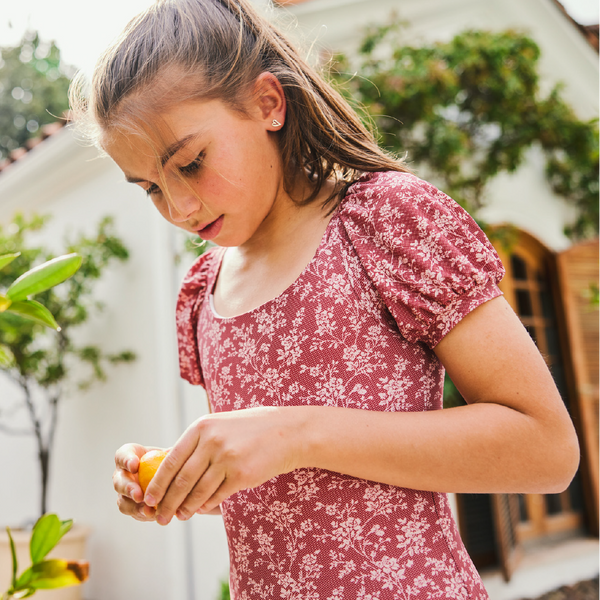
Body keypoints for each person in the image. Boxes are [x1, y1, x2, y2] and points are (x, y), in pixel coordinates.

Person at [70, 0, 580, 597]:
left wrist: (297, 433)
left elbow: (546, 449)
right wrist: (183, 479)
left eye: (191, 163)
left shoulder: (384, 222)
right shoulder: (201, 294)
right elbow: (299, 496)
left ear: (268, 103)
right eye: (151, 188)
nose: (178, 208)